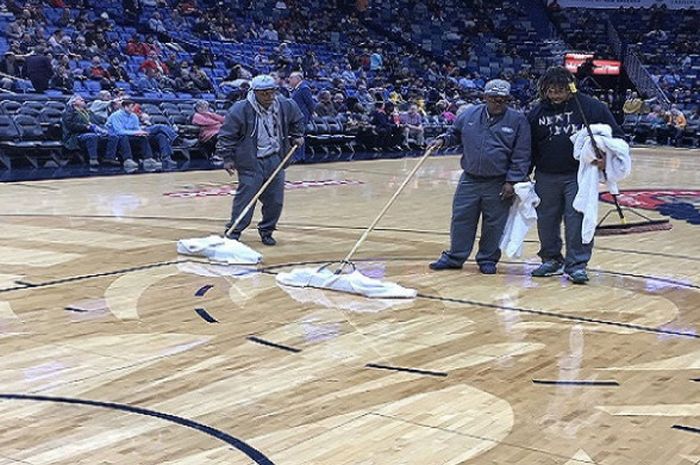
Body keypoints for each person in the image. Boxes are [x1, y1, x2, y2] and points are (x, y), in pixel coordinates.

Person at [527, 66, 624, 284]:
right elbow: (529, 147)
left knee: (577, 219)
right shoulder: (536, 113)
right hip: (545, 174)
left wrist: (605, 157)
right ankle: (551, 259)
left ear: (571, 87)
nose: (556, 95)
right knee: (546, 221)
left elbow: (617, 137)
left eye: (560, 90)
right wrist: (524, 174)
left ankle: (577, 264)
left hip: (578, 175)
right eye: (551, 90)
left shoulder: (592, 107)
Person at [428, 79, 531, 274]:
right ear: (485, 97)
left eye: (502, 99)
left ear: (508, 99)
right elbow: (454, 134)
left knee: (494, 222)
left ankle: (487, 259)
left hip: (499, 181)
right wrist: (442, 140)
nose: (497, 102)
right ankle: (455, 257)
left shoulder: (518, 121)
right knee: (461, 219)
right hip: (470, 178)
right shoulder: (469, 114)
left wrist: (512, 181)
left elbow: (522, 153)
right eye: (493, 98)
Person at [216, 74, 305, 246]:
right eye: (264, 93)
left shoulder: (285, 105)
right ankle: (234, 231)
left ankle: (267, 230)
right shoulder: (240, 109)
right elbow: (226, 135)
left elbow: (298, 119)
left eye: (272, 92)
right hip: (250, 160)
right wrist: (227, 158)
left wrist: (297, 135)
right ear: (254, 92)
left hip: (275, 158)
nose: (269, 97)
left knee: (275, 200)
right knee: (246, 198)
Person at [62, 95, 137, 172]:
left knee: (113, 136)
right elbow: (71, 126)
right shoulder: (68, 112)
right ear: (74, 102)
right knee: (92, 136)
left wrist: (107, 121)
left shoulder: (87, 111)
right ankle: (93, 159)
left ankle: (109, 158)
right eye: (81, 100)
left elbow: (98, 119)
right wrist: (86, 127)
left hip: (89, 131)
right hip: (75, 135)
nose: (83, 101)